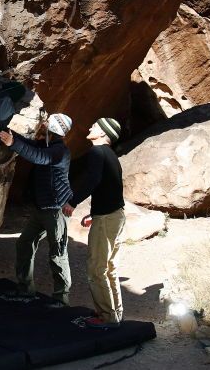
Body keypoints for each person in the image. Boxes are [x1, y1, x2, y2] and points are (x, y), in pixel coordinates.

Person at [0, 113, 74, 306]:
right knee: (24, 244)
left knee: (57, 253)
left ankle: (61, 298)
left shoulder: (59, 151)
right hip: (42, 208)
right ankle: (25, 290)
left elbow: (39, 157)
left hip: (56, 209)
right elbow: (31, 145)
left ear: (54, 128)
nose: (44, 123)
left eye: (48, 122)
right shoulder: (47, 145)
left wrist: (12, 143)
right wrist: (10, 134)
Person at [63, 118, 125, 329]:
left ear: (102, 133)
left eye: (95, 126)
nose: (90, 127)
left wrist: (73, 201)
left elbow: (93, 181)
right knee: (109, 268)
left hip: (108, 218)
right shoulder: (111, 156)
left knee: (96, 269)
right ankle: (115, 314)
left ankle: (106, 317)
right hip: (114, 215)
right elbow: (112, 187)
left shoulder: (97, 152)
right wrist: (94, 213)